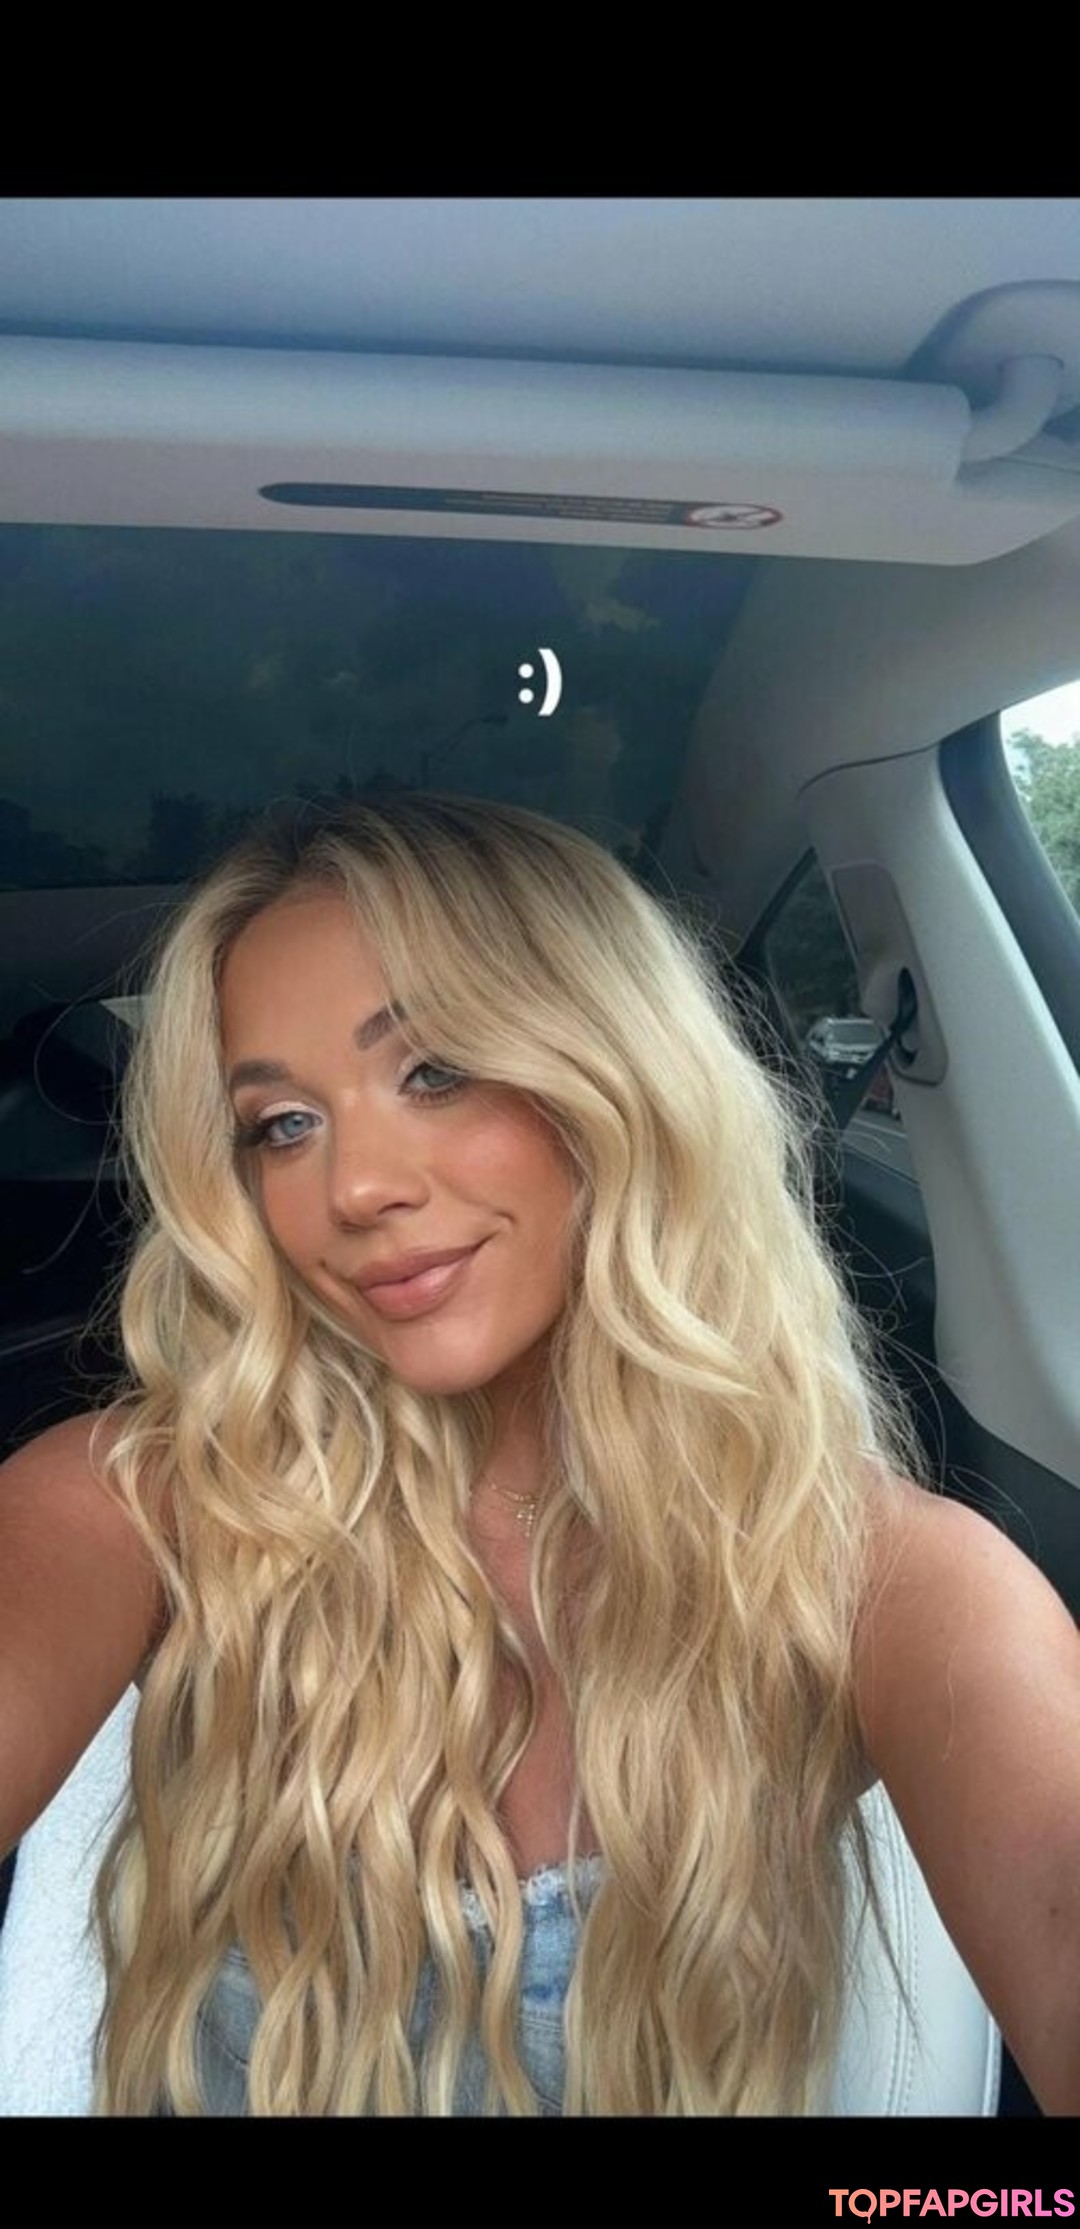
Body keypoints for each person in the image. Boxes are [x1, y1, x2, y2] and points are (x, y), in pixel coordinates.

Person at [0, 791, 1077, 2117]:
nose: (354, 1188)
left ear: (618, 1074)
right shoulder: (148, 1499)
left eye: (435, 1071)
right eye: (283, 1124)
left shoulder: (881, 1579)